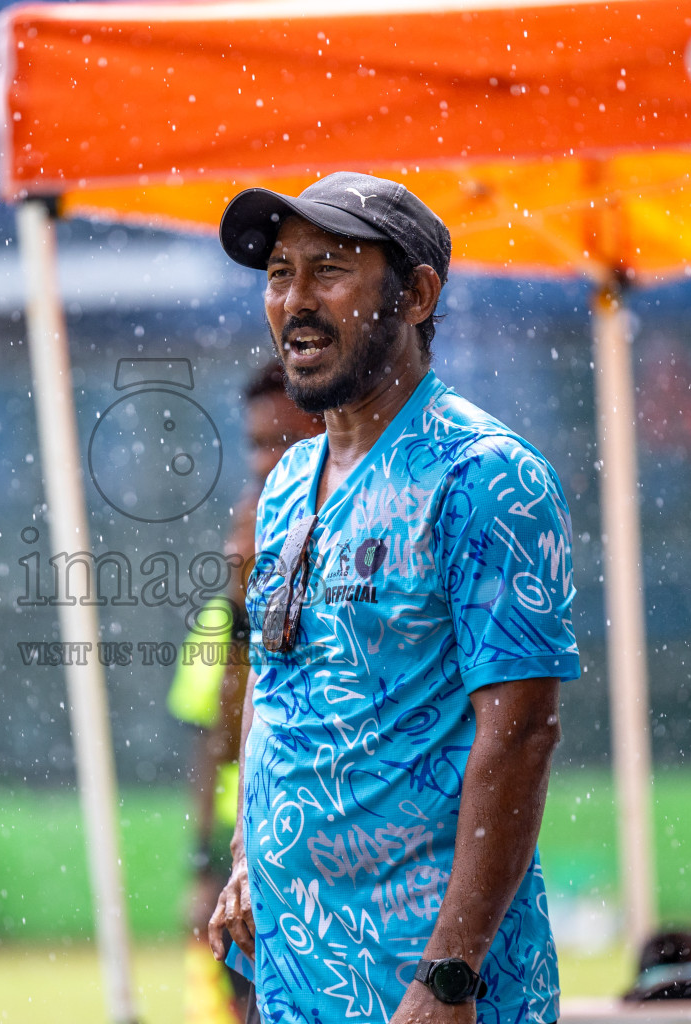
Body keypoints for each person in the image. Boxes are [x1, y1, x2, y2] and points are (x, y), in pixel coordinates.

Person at [206, 171, 580, 1024]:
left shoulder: (485, 477)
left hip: (424, 983)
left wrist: (450, 975)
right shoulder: (290, 479)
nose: (294, 301)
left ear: (415, 295)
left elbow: (520, 738)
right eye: (278, 274)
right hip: (297, 974)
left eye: (329, 271)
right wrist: (246, 858)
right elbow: (277, 684)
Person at [168, 362, 324, 1024]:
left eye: (281, 443)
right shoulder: (235, 578)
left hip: (326, 845)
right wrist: (203, 864)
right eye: (256, 445)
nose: (264, 463)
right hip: (251, 851)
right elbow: (213, 738)